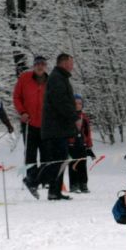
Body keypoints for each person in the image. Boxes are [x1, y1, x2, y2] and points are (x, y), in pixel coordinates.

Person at [39, 53, 78, 201]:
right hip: (55, 128)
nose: (72, 66)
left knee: (61, 160)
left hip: (59, 128)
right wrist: (74, 117)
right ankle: (35, 180)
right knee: (58, 160)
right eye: (70, 63)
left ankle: (55, 191)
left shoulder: (60, 78)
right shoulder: (57, 78)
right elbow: (61, 102)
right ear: (63, 63)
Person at [12, 55, 49, 195]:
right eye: (38, 64)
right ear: (34, 66)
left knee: (46, 154)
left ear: (45, 66)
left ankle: (42, 179)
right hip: (29, 122)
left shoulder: (50, 81)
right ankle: (31, 179)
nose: (40, 66)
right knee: (30, 154)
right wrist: (22, 112)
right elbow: (16, 97)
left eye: (43, 64)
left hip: (45, 124)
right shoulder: (25, 78)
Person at [67, 94, 95, 193]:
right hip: (71, 145)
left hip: (82, 145)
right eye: (75, 103)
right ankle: (73, 185)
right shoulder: (68, 116)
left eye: (80, 103)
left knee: (82, 165)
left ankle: (83, 184)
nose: (78, 105)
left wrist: (89, 147)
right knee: (73, 165)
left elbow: (88, 133)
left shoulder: (85, 118)